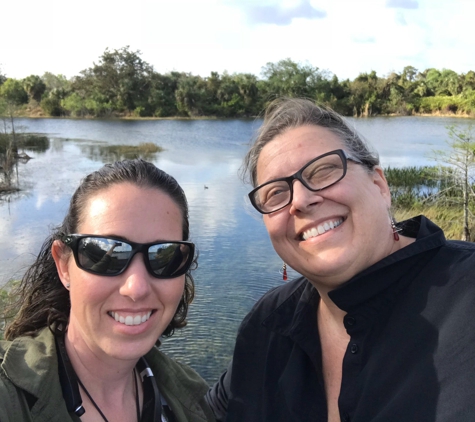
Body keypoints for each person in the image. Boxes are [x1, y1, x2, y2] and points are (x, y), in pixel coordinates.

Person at [206, 98, 475, 422]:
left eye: (323, 171)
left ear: (379, 184)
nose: (301, 200)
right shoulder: (267, 324)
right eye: (276, 193)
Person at [0, 159, 216, 422]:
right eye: (106, 253)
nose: (136, 288)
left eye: (164, 256)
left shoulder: (192, 400)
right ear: (63, 265)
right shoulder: (9, 397)